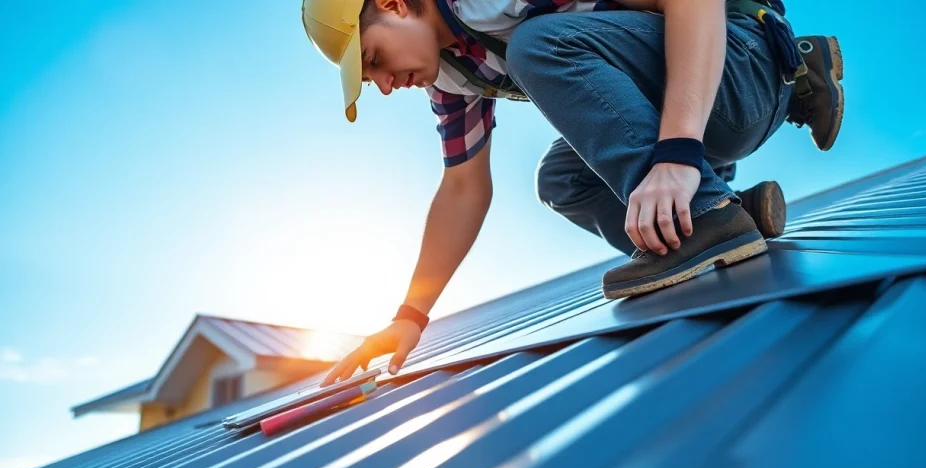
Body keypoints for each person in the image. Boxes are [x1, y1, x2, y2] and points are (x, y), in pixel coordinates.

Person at [302, 0, 845, 385]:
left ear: (395, 4)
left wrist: (678, 152)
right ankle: (721, 216)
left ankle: (706, 204)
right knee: (563, 179)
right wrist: (409, 316)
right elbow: (464, 187)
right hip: (705, 99)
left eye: (373, 60)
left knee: (536, 47)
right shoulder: (451, 74)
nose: (384, 84)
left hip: (738, 66)